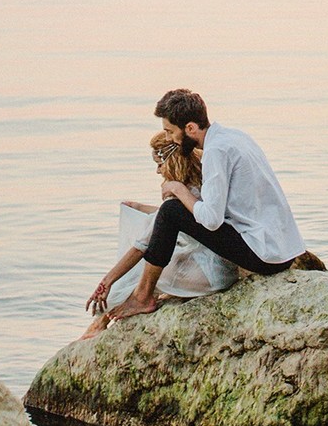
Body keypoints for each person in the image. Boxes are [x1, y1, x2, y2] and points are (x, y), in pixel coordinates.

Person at [110, 89, 305, 322]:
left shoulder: (216, 151)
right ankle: (144, 292)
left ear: (190, 128)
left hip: (264, 256)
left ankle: (142, 296)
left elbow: (212, 220)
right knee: (173, 212)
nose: (170, 139)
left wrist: (177, 189)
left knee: (171, 211)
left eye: (171, 132)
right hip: (284, 249)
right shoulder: (235, 136)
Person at [82, 130, 236, 335]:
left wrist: (106, 282)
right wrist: (139, 206)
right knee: (154, 241)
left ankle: (105, 318)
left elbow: (141, 246)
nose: (157, 171)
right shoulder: (201, 184)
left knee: (144, 268)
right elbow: (178, 219)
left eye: (159, 164)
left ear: (171, 163)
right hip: (223, 269)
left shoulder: (178, 195)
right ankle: (104, 319)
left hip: (208, 276)